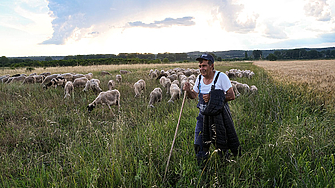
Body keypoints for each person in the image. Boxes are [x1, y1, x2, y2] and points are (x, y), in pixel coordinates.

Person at [183, 54, 240, 168]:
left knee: (221, 144)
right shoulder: (199, 78)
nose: (201, 68)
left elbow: (231, 95)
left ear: (211, 66)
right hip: (202, 117)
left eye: (204, 65)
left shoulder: (221, 77)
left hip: (219, 117)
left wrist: (212, 97)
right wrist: (188, 91)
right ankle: (202, 170)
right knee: (199, 144)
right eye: (200, 66)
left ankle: (224, 168)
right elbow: (194, 95)